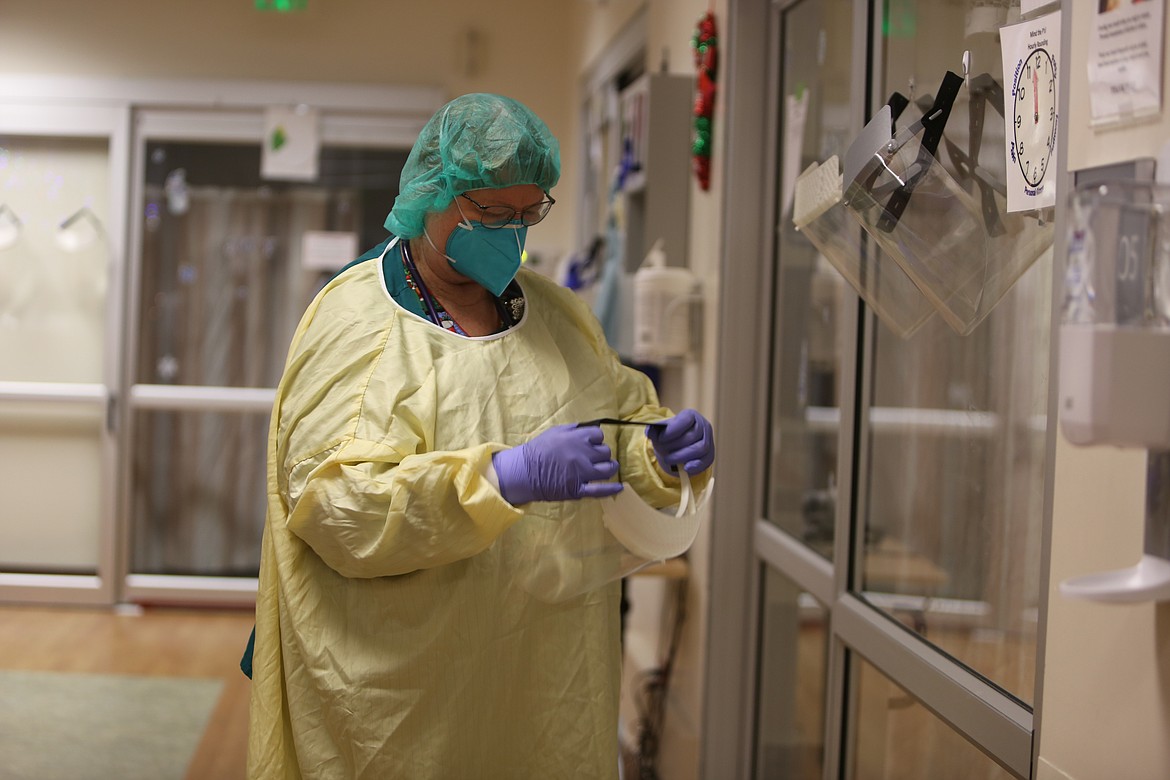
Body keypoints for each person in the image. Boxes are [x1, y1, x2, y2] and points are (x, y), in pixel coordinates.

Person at [246, 92, 715, 779]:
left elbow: (616, 426)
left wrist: (657, 452)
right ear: (432, 195)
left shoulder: (559, 317)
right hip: (402, 692)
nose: (512, 235)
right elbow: (335, 503)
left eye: (529, 214)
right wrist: (502, 478)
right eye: (492, 215)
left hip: (544, 676)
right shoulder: (358, 323)